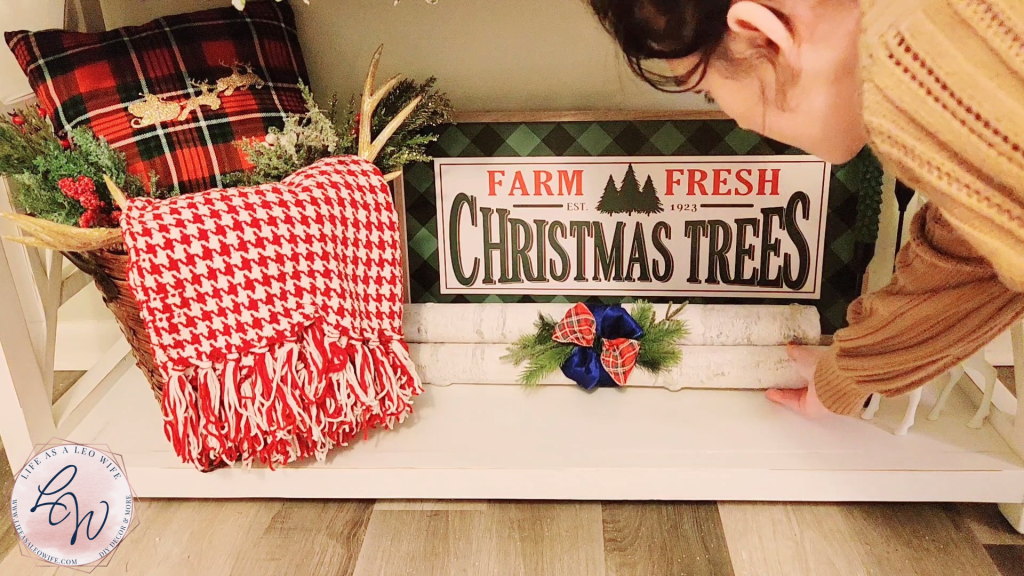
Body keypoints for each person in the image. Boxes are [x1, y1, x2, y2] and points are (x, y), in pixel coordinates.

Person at [586, 0, 1024, 416]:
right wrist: (850, 371)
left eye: (706, 92)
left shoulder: (915, 65)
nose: (736, 120)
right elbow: (971, 253)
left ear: (764, 38)